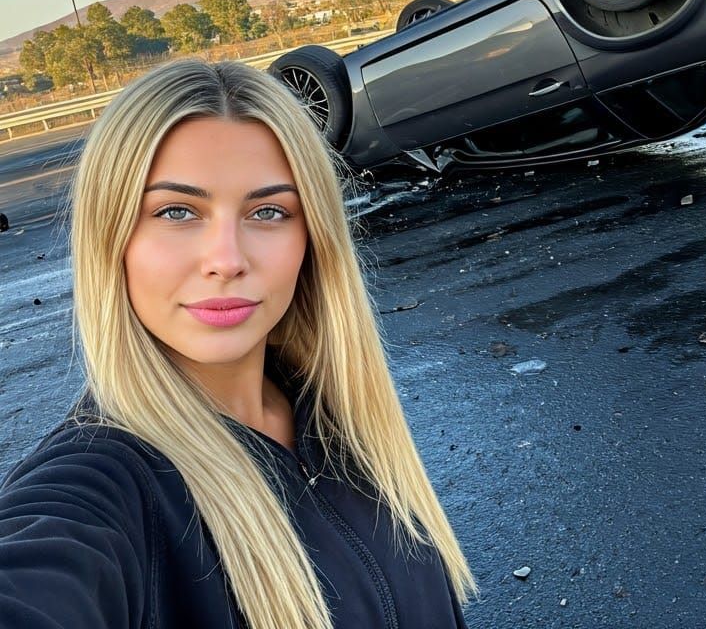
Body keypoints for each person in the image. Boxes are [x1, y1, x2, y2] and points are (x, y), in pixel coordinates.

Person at [0, 58, 475, 629]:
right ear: (112, 238)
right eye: (176, 211)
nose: (227, 259)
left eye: (268, 211)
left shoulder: (340, 416)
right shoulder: (101, 483)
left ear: (313, 237)